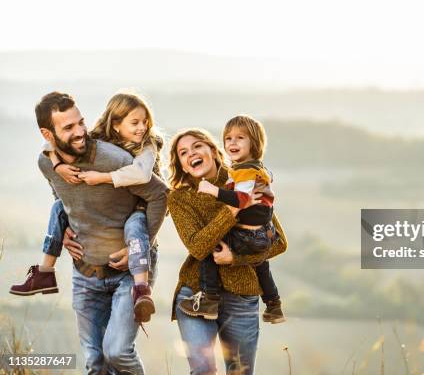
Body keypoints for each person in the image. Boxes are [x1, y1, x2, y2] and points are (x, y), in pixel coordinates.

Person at [26, 92, 167, 374]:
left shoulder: (118, 158)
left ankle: (142, 287)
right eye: (68, 128)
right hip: (85, 275)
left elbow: (160, 193)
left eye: (81, 123)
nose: (79, 132)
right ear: (48, 134)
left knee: (118, 353)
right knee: (95, 362)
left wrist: (141, 247)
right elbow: (62, 196)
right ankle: (43, 272)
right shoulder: (47, 162)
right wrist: (66, 228)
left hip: (129, 272)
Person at [167, 128, 288, 375]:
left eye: (197, 146)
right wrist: (233, 209)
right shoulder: (180, 198)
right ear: (181, 164)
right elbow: (198, 246)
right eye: (183, 152)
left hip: (242, 296)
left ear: (212, 150)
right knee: (203, 370)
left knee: (240, 371)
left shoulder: (245, 178)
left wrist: (236, 258)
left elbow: (278, 242)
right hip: (196, 294)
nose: (191, 154)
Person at [182, 115, 285, 323]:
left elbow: (242, 199)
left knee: (210, 247)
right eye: (228, 138)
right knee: (262, 265)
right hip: (263, 235)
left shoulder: (246, 171)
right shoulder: (253, 169)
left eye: (240, 138)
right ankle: (274, 305)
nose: (233, 142)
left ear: (254, 144)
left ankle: (209, 299)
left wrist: (214, 190)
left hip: (247, 234)